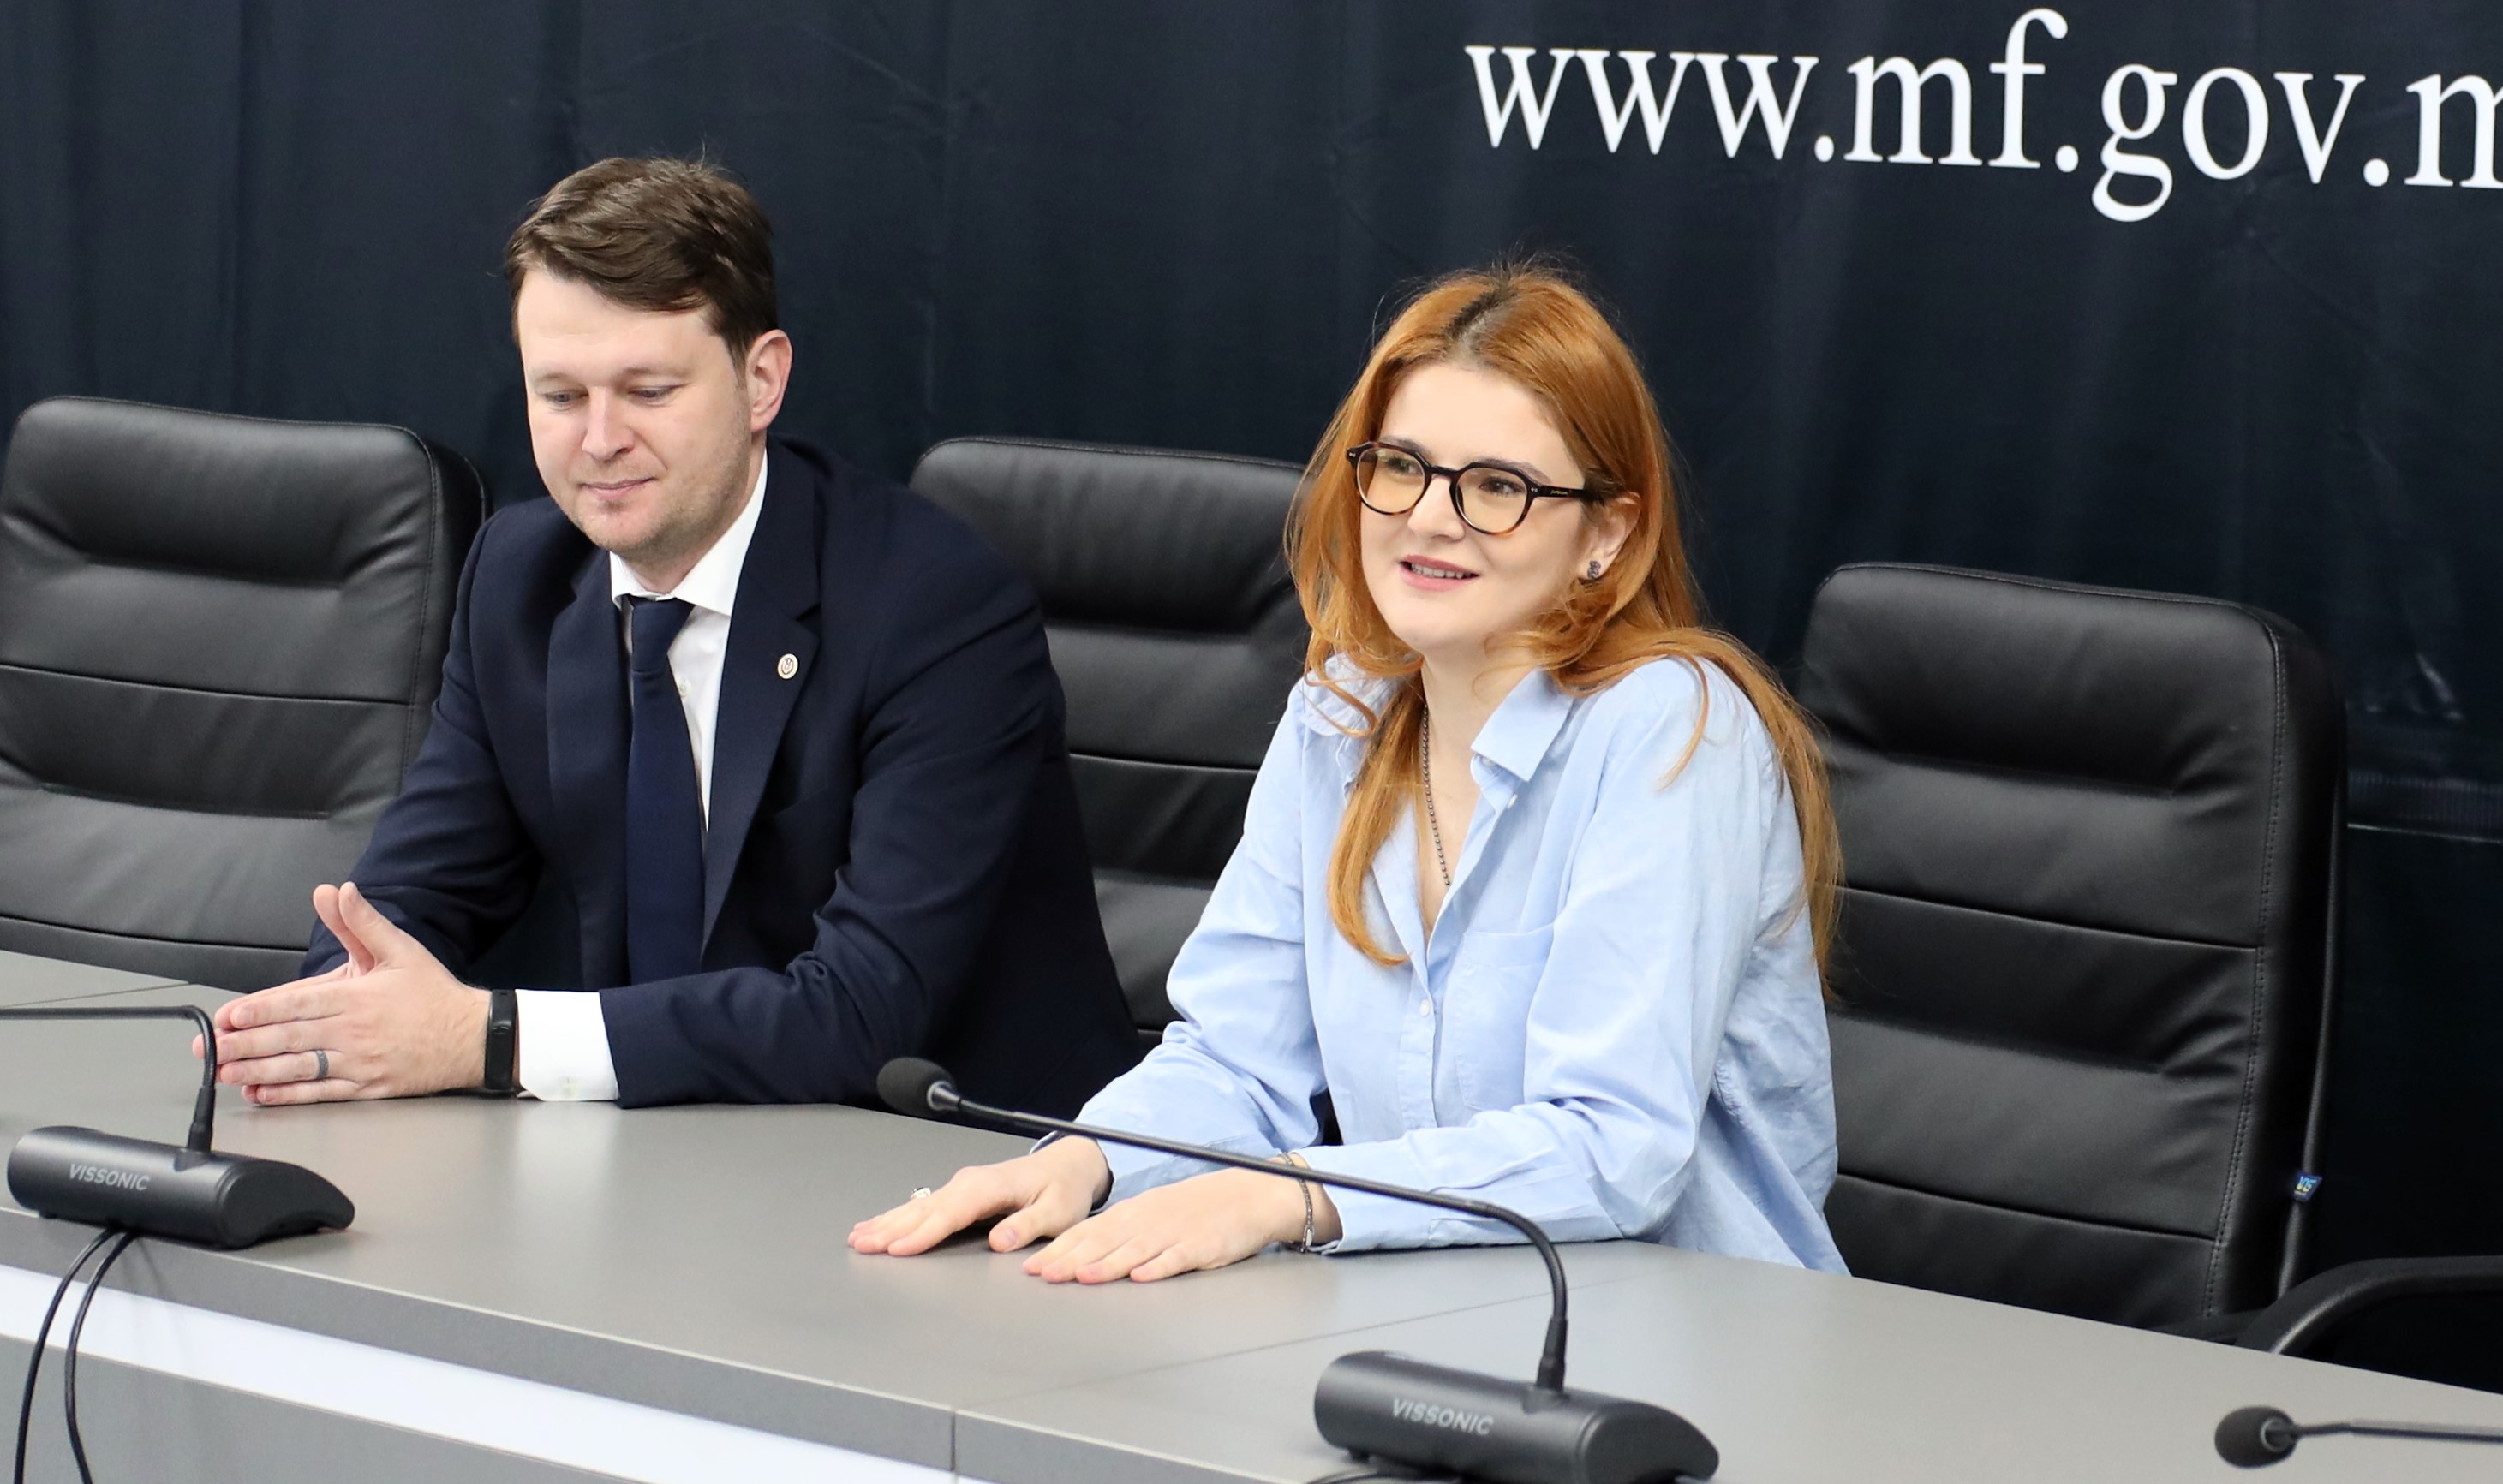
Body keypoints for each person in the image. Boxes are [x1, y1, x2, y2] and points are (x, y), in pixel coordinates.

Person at [852, 266, 1844, 1280]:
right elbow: (1236, 1060)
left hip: (1696, 1324)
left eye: (1496, 486)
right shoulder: (1341, 713)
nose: (1429, 517)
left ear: (1606, 532)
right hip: (1433, 1305)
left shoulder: (1673, 726)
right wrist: (1084, 1161)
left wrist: (1291, 1194)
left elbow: (1611, 1146)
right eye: (1401, 466)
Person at [207, 157, 1137, 1113]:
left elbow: (864, 1010)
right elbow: (414, 892)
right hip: (653, 1138)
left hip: (954, 1151)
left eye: (647, 390)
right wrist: (337, 1017)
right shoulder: (519, 577)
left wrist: (487, 1036)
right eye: (560, 395)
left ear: (761, 379)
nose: (599, 438)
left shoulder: (937, 607)